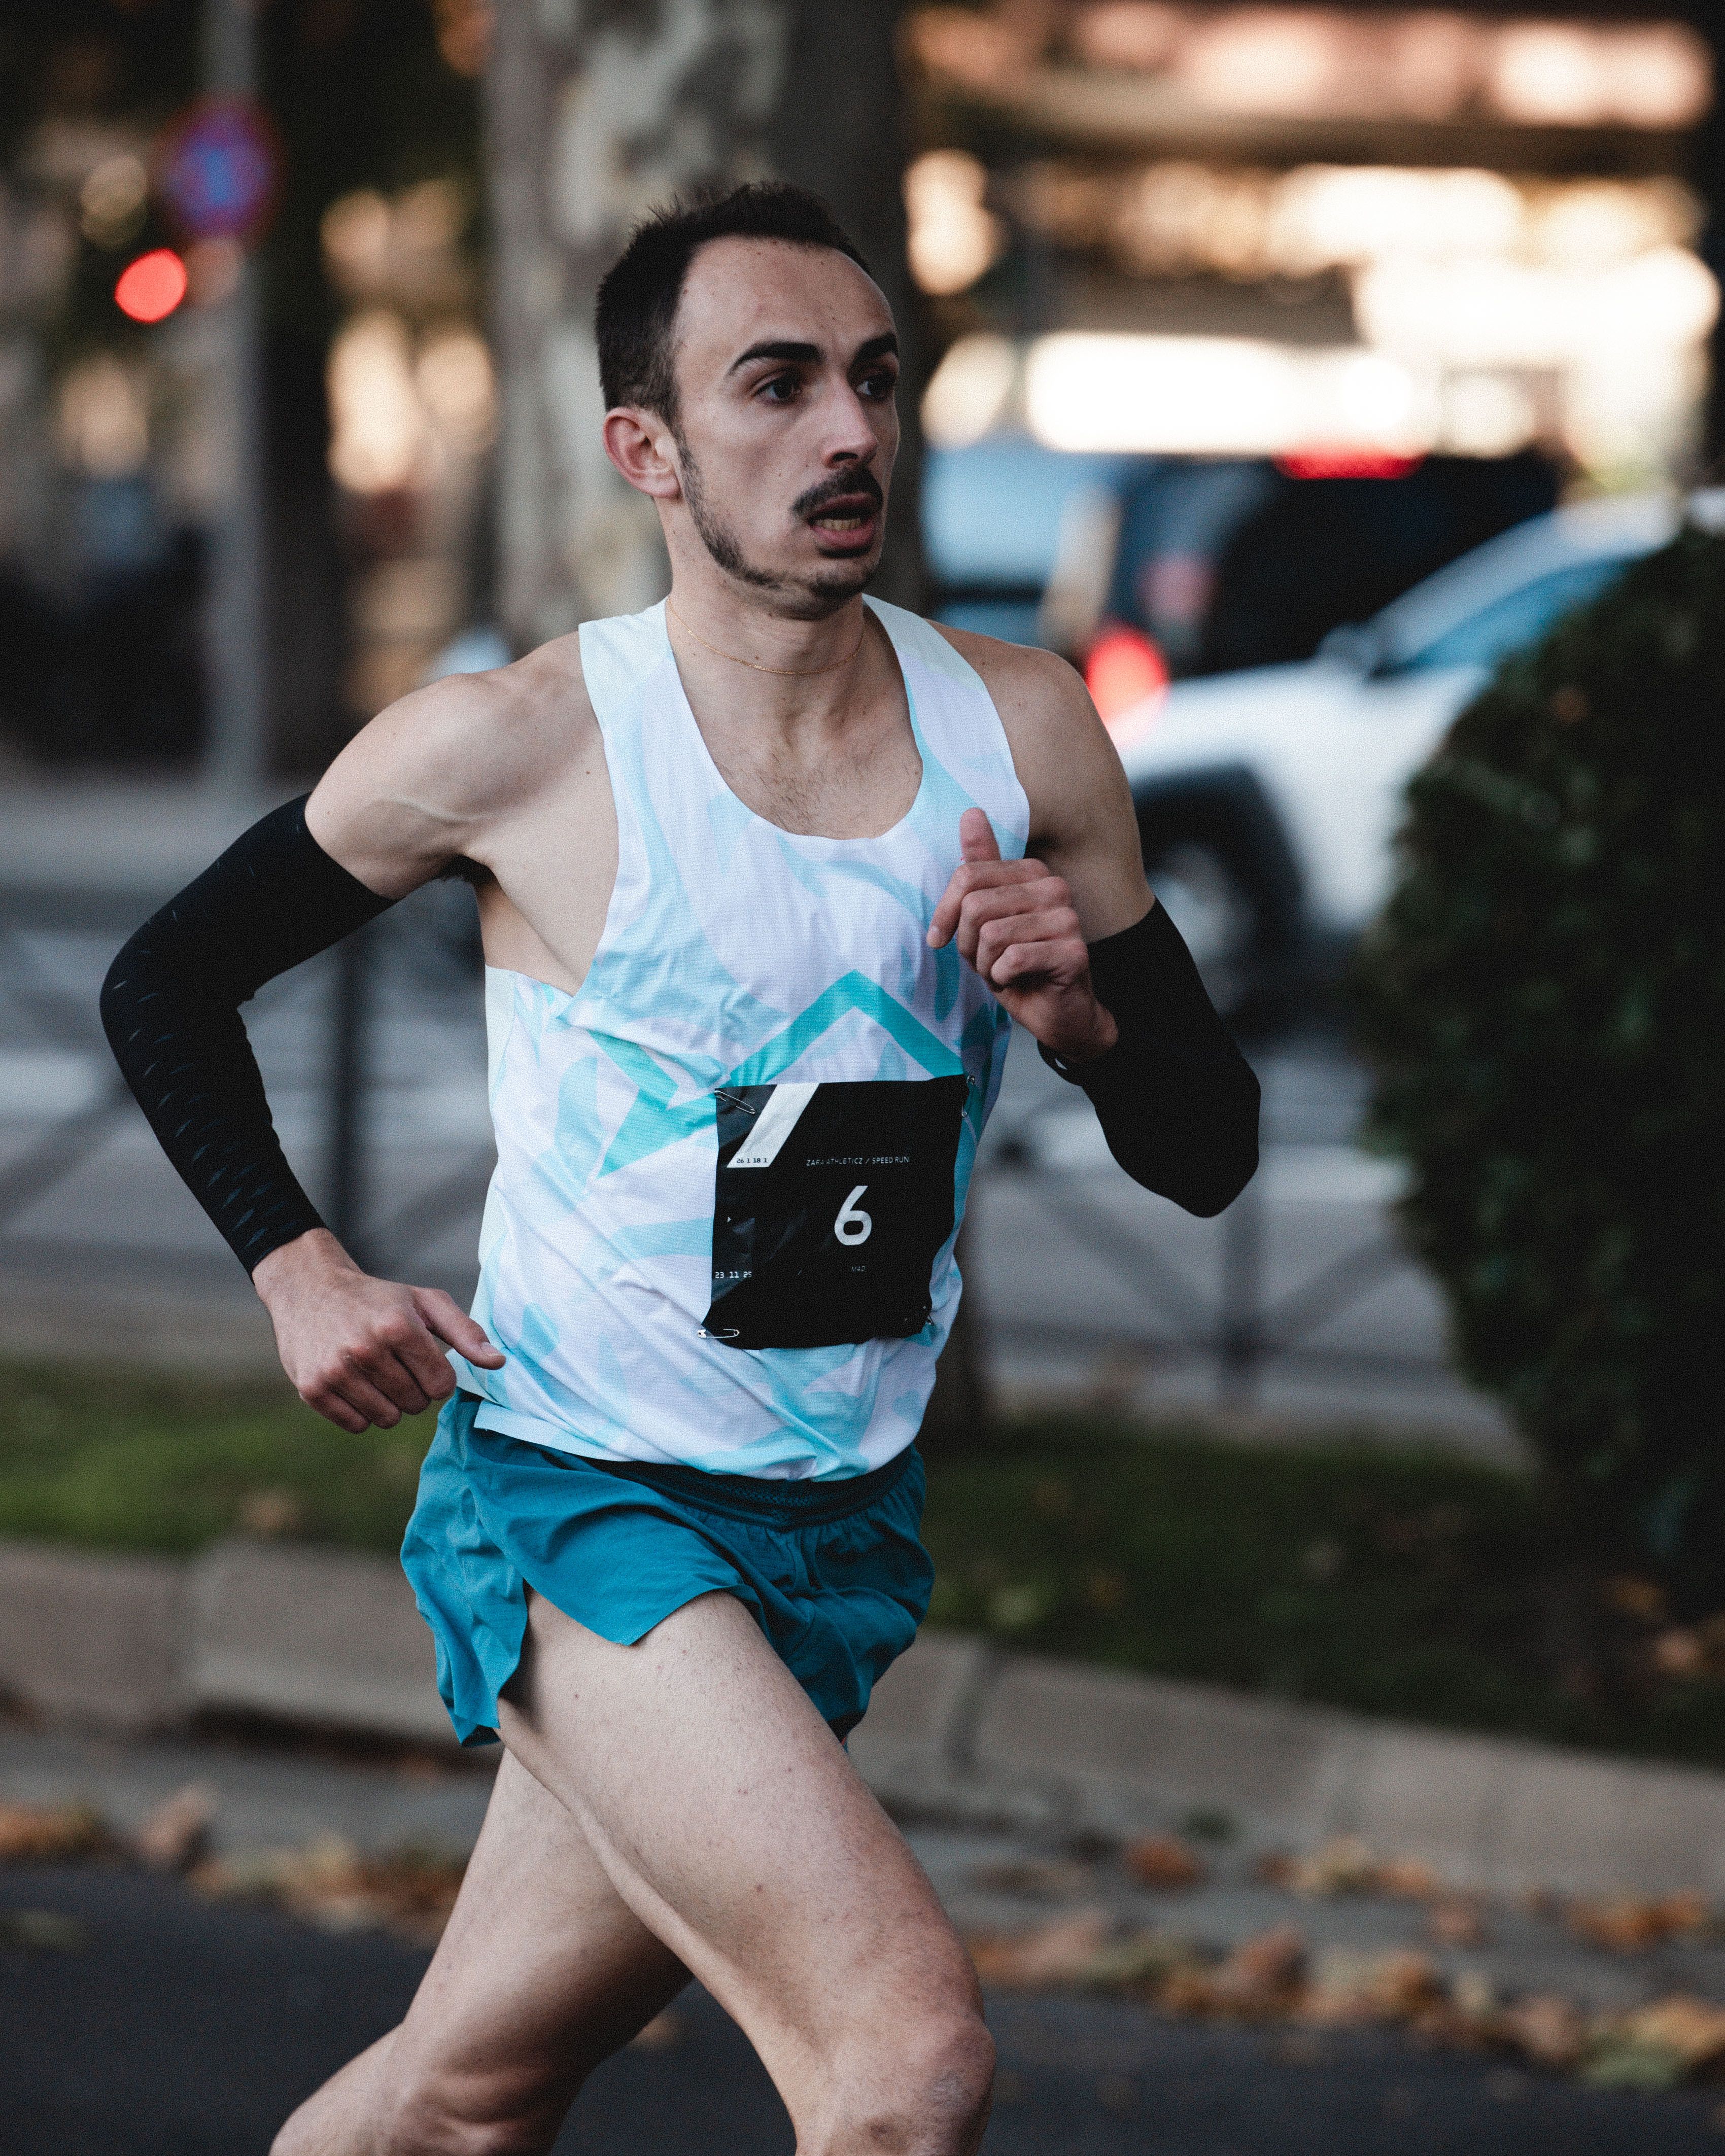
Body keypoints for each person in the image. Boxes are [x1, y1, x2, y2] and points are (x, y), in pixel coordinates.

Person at [102, 184, 1258, 2156]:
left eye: (877, 385)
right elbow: (167, 980)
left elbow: (1213, 1153)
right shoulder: (521, 744)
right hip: (582, 1502)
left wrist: (1084, 1023)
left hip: (835, 1534)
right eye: (779, 385)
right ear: (644, 445)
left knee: (463, 2097)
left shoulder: (1027, 730)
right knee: (901, 2065)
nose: (850, 436)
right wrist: (298, 1264)